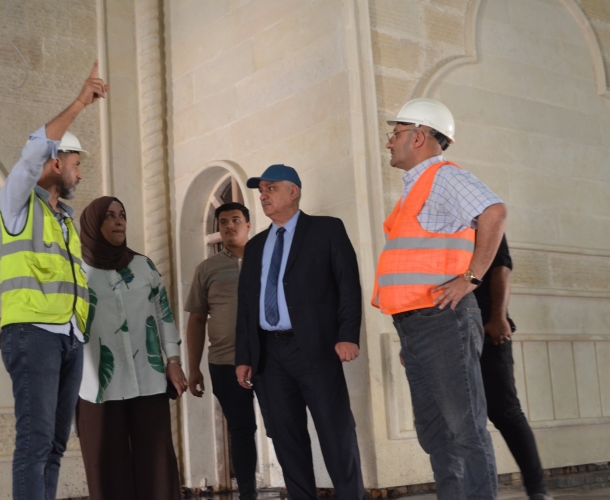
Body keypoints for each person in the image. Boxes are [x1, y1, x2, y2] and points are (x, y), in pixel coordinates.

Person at [373, 98, 506, 500]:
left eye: (394, 135)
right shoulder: (416, 188)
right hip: (417, 326)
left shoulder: (445, 177)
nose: (389, 143)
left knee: (464, 428)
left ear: (417, 137)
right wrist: (410, 334)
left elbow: (494, 213)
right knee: (435, 433)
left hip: (443, 322)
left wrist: (471, 278)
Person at [0, 62, 108, 500]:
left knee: (57, 446)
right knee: (36, 444)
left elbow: (50, 281)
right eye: (76, 165)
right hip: (36, 337)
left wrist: (12, 312)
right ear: (55, 161)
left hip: (67, 337)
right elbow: (31, 151)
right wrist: (81, 101)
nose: (80, 175)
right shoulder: (17, 201)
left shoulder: (64, 220)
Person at [235, 165, 364, 500]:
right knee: (286, 438)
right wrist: (244, 357)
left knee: (336, 434)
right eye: (260, 190)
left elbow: (348, 285)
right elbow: (247, 307)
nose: (263, 196)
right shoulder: (255, 246)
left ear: (293, 191)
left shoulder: (327, 230)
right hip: (268, 355)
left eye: (271, 189)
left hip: (316, 349)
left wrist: (348, 334)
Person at [76, 196, 186, 500]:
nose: (119, 221)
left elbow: (164, 315)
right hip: (96, 382)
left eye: (122, 215)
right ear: (93, 224)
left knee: (157, 461)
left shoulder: (142, 266)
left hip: (147, 378)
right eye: (110, 216)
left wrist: (173, 360)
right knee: (106, 466)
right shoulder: (74, 269)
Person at [185, 202, 258, 500]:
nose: (229, 226)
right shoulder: (207, 268)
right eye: (223, 221)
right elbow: (197, 319)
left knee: (283, 427)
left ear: (248, 224)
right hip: (224, 363)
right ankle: (248, 495)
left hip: (270, 361)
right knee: (240, 431)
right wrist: (193, 368)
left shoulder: (266, 259)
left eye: (236, 220)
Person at [475, 236, 553, 500]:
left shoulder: (484, 216)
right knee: (462, 420)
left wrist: (498, 316)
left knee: (505, 411)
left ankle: (538, 491)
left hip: (488, 328)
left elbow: (501, 268)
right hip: (447, 332)